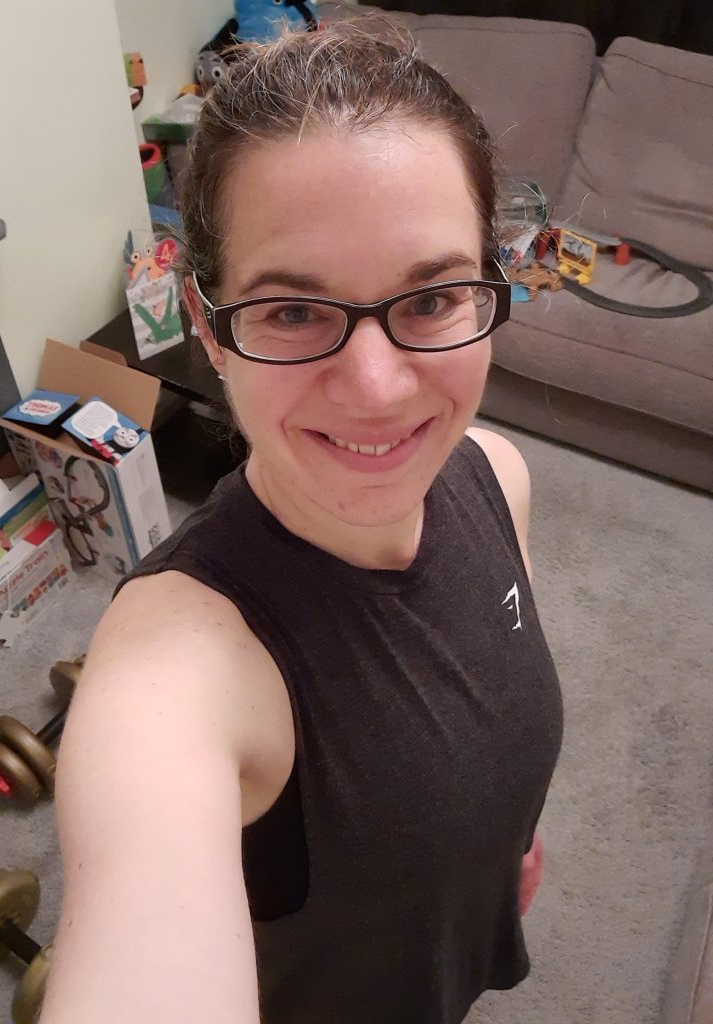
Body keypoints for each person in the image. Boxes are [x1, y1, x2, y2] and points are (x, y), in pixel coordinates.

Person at [40, 19, 563, 1024]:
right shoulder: (174, 675)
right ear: (208, 328)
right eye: (291, 312)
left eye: (432, 298)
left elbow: (486, 703)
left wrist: (492, 851)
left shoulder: (498, 474)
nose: (377, 388)